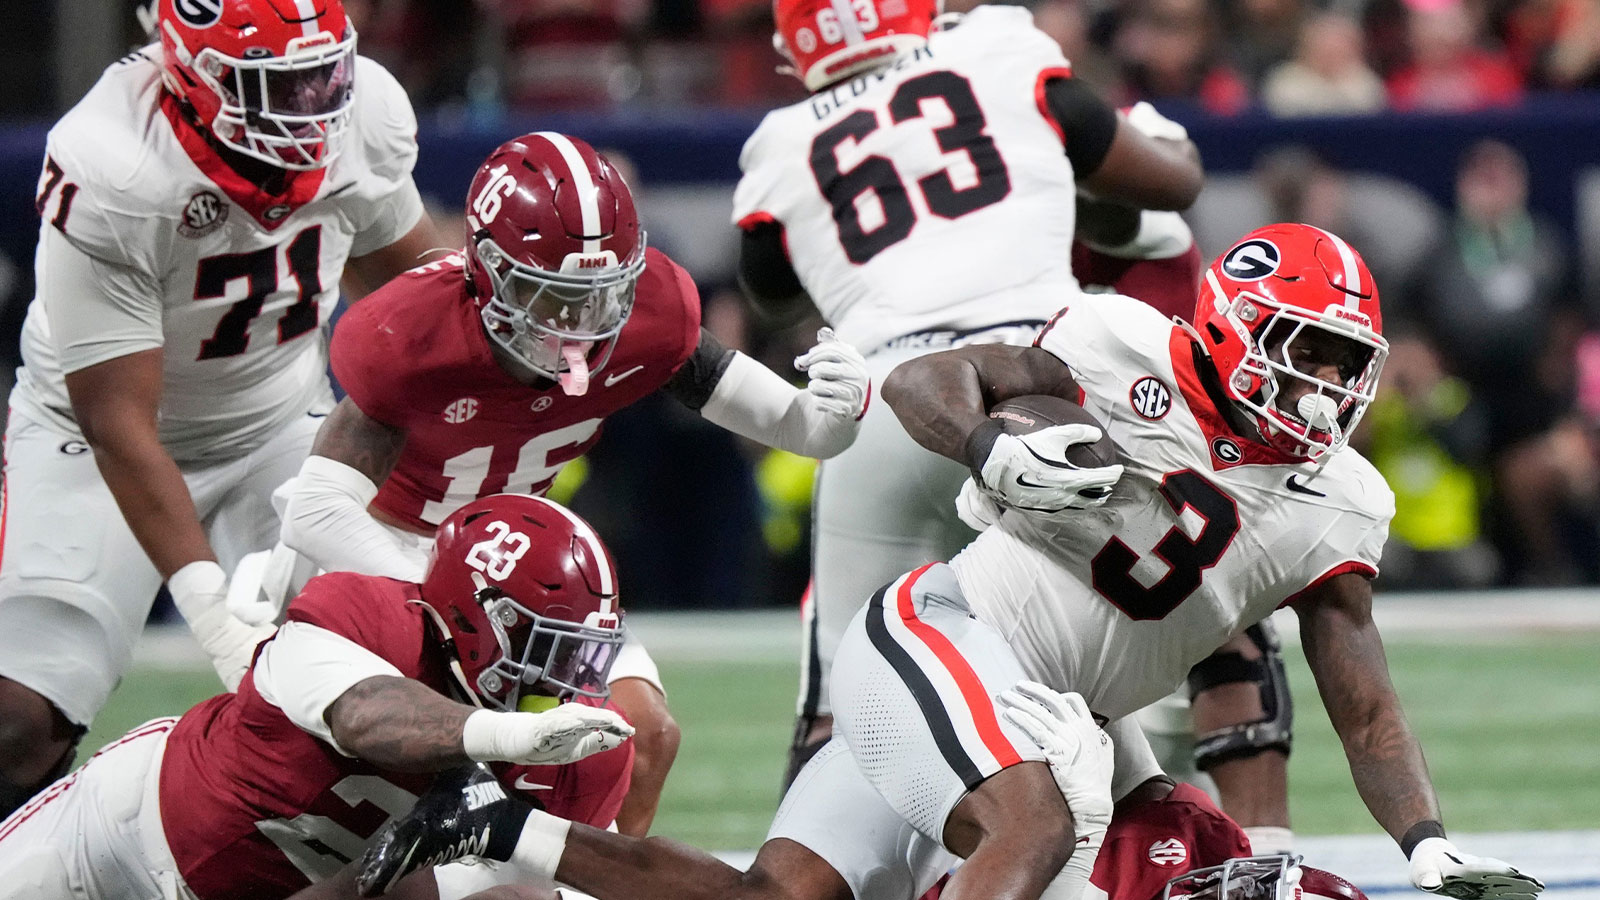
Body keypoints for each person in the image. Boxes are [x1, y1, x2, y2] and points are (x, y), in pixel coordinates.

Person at [348, 224, 1545, 900]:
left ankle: (498, 830)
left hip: (1055, 712)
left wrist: (1423, 840)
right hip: (943, 637)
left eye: (1343, 365)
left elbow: (1362, 693)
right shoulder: (1119, 342)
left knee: (777, 898)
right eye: (1304, 352)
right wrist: (985, 444)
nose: (1324, 388)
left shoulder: (1343, 497)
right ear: (1234, 325)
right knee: (1032, 824)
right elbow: (929, 380)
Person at [729, 0, 1290, 852]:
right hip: (1037, 386)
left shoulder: (782, 138)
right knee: (1191, 619)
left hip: (885, 406)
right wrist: (1149, 141)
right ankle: (1243, 852)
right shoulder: (999, 50)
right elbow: (1170, 189)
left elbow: (771, 290)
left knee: (846, 702)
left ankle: (802, 878)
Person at [261, 131, 871, 834]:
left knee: (643, 737)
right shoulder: (414, 333)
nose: (579, 323)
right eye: (549, 296)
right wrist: (443, 587)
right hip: (388, 556)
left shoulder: (644, 316)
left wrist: (832, 418)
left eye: (600, 295)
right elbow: (315, 508)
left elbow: (794, 425)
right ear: (487, 271)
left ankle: (588, 881)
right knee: (393, 778)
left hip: (515, 564)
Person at [0, 0, 443, 818]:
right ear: (192, 77)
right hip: (91, 445)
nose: (312, 110)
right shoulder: (114, 162)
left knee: (380, 680)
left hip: (279, 426)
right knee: (16, 724)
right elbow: (116, 424)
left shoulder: (366, 111)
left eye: (321, 77)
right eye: (279, 87)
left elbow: (410, 284)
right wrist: (213, 617)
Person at [0, 493, 643, 900]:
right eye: (546, 648)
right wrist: (510, 736)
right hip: (123, 833)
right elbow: (369, 715)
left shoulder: (582, 750)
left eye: (581, 653)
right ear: (479, 620)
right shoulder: (363, 619)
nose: (566, 681)